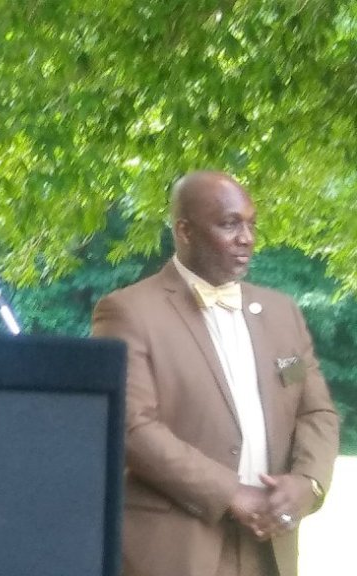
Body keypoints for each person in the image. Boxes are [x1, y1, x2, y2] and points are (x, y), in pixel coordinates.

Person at [91, 170, 339, 576]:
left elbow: (316, 412)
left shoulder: (283, 313)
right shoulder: (128, 311)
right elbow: (130, 426)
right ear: (184, 231)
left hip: (269, 549)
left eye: (251, 224)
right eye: (229, 224)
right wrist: (230, 493)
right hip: (174, 550)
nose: (247, 238)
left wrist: (308, 482)